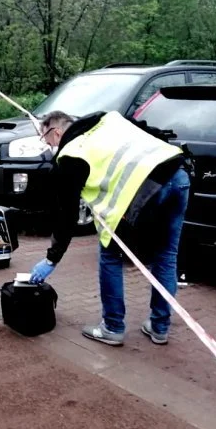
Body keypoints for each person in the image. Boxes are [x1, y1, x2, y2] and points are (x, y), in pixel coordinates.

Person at [28, 109, 192, 346]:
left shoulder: (71, 155)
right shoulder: (108, 119)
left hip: (144, 192)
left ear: (57, 131)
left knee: (110, 255)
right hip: (177, 173)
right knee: (166, 256)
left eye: (46, 139)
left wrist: (52, 259)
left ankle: (113, 327)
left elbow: (67, 216)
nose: (50, 146)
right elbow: (149, 131)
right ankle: (159, 327)